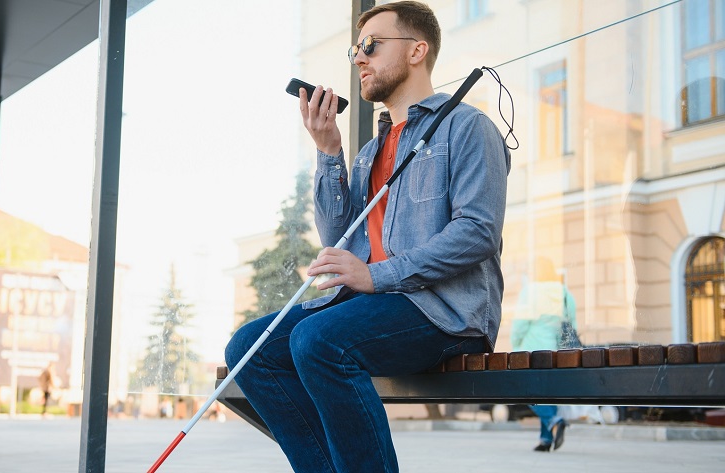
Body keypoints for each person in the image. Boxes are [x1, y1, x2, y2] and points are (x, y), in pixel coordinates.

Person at [224, 2, 510, 472]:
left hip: (444, 311)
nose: (358, 58)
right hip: (372, 307)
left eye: (371, 46)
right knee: (249, 349)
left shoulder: (467, 127)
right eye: (356, 48)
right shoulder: (370, 153)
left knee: (319, 339)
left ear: (417, 50)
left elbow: (478, 231)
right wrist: (329, 152)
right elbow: (341, 238)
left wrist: (377, 275)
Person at [511, 257, 576, 452]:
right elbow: (572, 325)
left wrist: (515, 344)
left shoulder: (530, 291)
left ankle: (554, 421)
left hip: (530, 350)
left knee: (526, 392)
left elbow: (520, 324)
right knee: (547, 395)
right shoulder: (564, 293)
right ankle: (546, 440)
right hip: (553, 352)